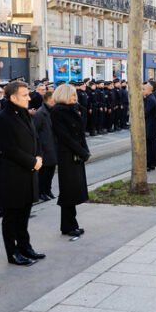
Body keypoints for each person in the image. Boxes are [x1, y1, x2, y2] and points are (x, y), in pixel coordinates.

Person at [0, 80, 45, 266]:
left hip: (29, 172)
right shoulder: (3, 118)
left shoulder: (25, 114)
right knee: (12, 217)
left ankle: (25, 246)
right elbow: (9, 149)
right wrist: (33, 162)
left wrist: (39, 156)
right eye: (25, 95)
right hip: (13, 175)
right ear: (13, 97)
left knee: (24, 213)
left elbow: (35, 138)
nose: (29, 98)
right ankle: (12, 252)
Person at [50, 84, 89, 237]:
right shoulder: (58, 111)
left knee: (73, 190)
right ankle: (68, 225)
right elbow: (64, 136)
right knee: (68, 191)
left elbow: (80, 132)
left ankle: (70, 224)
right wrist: (82, 152)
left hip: (76, 153)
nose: (75, 98)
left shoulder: (73, 109)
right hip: (67, 155)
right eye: (72, 95)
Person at [33, 91, 58, 200]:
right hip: (44, 148)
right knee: (43, 172)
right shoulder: (40, 113)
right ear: (49, 99)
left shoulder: (53, 111)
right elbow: (35, 132)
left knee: (51, 171)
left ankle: (48, 190)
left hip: (53, 146)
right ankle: (41, 192)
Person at [143, 82, 156, 171]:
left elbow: (145, 113)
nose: (142, 91)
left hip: (150, 126)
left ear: (149, 90)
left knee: (149, 145)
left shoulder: (150, 99)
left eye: (143, 89)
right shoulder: (149, 98)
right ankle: (153, 163)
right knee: (151, 144)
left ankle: (150, 164)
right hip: (151, 126)